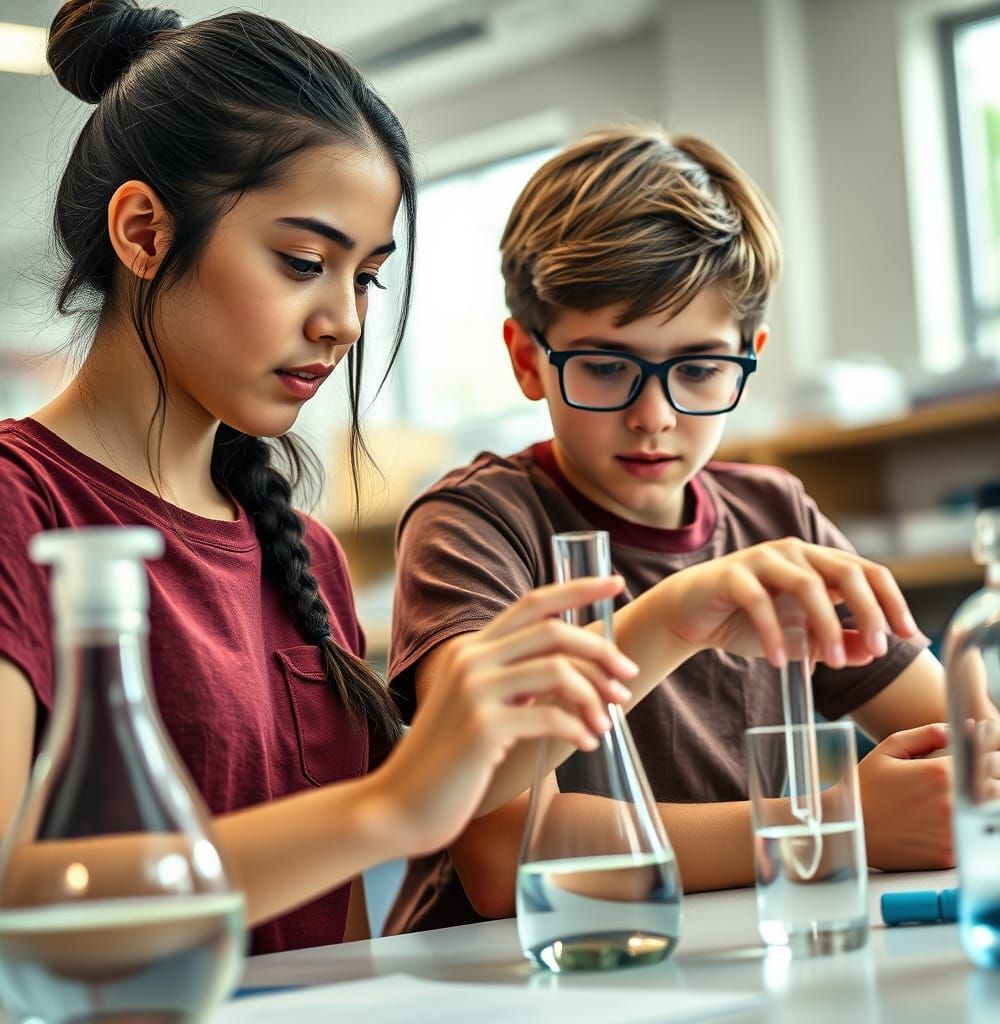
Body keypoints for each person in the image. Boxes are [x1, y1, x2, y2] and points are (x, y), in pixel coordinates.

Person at [0, 1, 641, 955]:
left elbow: (339, 945)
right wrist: (392, 803)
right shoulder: (22, 504)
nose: (343, 320)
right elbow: (17, 903)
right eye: (304, 262)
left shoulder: (304, 557)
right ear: (141, 232)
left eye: (366, 277)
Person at [383, 126, 1000, 934]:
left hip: (727, 951)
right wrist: (824, 824)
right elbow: (503, 857)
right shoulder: (474, 526)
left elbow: (977, 752)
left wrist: (961, 780)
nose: (655, 417)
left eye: (698, 368)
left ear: (749, 355)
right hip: (513, 975)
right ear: (526, 358)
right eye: (607, 366)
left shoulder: (774, 515)